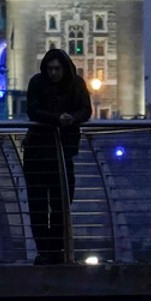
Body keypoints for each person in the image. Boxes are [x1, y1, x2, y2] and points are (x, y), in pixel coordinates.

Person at [22, 47, 94, 264]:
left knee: (62, 202)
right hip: (37, 153)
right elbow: (33, 111)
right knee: (38, 205)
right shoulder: (37, 83)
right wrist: (57, 118)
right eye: (49, 69)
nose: (53, 73)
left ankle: (56, 248)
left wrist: (71, 118)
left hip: (63, 153)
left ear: (65, 69)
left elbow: (86, 110)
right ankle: (45, 250)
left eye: (57, 68)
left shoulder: (76, 84)